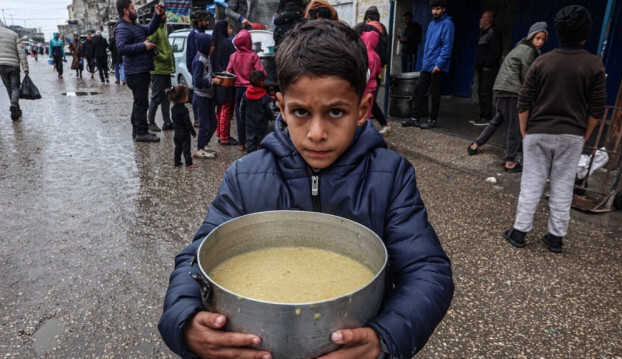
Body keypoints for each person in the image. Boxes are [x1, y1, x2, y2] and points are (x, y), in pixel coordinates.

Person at [158, 19, 454, 359]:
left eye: (335, 112)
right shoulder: (245, 177)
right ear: (281, 107)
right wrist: (186, 322)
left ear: (363, 110)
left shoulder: (390, 178)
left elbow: (428, 271)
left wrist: (384, 338)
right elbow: (196, 259)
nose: (316, 132)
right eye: (301, 112)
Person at [503, 5, 606, 253]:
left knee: (531, 184)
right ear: (585, 35)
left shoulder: (542, 61)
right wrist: (584, 134)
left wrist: (526, 130)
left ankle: (519, 233)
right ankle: (555, 238)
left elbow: (524, 99)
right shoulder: (594, 65)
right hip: (572, 134)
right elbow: (597, 107)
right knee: (562, 186)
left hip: (538, 131)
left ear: (557, 32)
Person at [467, 22, 548, 173]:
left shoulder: (521, 47)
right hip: (512, 91)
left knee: (497, 119)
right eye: (537, 38)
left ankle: (475, 144)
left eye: (543, 39)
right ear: (531, 37)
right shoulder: (528, 51)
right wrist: (534, 95)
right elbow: (527, 75)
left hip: (502, 88)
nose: (540, 42)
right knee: (516, 126)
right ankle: (510, 161)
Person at [115, 0, 164, 143]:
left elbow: (149, 29)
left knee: (139, 102)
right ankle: (141, 133)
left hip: (140, 69)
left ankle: (137, 130)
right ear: (125, 11)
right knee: (141, 103)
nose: (135, 9)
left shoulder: (133, 25)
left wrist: (157, 15)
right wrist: (143, 46)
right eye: (132, 8)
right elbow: (121, 48)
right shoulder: (123, 27)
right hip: (135, 71)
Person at [402, 0, 454, 130]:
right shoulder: (431, 23)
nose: (435, 12)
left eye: (437, 9)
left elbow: (446, 47)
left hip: (437, 66)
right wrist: (425, 62)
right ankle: (415, 118)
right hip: (427, 64)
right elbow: (428, 45)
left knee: (434, 93)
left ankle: (433, 120)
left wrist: (439, 64)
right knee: (419, 90)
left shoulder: (448, 24)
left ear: (443, 9)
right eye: (433, 9)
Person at [226, 29, 265, 152]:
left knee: (240, 116)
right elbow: (261, 73)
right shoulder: (253, 56)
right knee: (255, 116)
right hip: (253, 91)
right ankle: (257, 143)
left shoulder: (233, 56)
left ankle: (242, 144)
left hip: (238, 91)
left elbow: (228, 72)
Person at [355, 7, 391, 136]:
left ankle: (366, 132)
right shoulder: (382, 31)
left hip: (366, 84)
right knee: (369, 107)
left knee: (365, 108)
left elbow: (365, 73)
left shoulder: (366, 55)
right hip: (374, 81)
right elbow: (380, 67)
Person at [192, 32, 223, 159]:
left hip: (208, 96)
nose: (213, 48)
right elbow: (197, 82)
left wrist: (216, 75)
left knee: (213, 123)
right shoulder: (199, 61)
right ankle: (200, 148)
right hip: (201, 97)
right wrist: (212, 81)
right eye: (211, 46)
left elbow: (207, 74)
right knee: (204, 124)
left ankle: (204, 144)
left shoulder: (206, 58)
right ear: (204, 46)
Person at [469, 11, 503, 126]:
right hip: (481, 69)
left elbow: (495, 51)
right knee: (481, 92)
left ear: (488, 21)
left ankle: (487, 116)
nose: (480, 20)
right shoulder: (485, 33)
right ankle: (482, 115)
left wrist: (487, 65)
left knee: (486, 92)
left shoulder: (494, 33)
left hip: (488, 69)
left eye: (482, 18)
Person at [147, 13, 175, 132]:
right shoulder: (154, 29)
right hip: (158, 70)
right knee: (156, 97)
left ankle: (167, 121)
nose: (166, 17)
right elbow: (150, 46)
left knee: (166, 96)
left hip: (165, 69)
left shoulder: (161, 29)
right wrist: (162, 57)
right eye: (164, 15)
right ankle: (151, 122)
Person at [212, 20, 238, 146]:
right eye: (229, 27)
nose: (231, 30)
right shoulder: (227, 44)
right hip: (227, 81)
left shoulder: (213, 44)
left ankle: (219, 133)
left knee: (220, 108)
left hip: (217, 80)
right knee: (227, 108)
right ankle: (224, 137)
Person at [239, 70, 274, 153]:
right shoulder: (266, 97)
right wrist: (270, 117)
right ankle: (262, 159)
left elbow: (241, 108)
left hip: (249, 124)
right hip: (262, 124)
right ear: (262, 82)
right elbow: (270, 109)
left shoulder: (245, 94)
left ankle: (251, 159)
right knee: (262, 142)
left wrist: (242, 118)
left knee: (250, 143)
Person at [186, 10, 210, 128]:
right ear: (199, 22)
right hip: (197, 66)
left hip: (200, 66)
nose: (207, 22)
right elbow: (193, 54)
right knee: (197, 92)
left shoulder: (201, 32)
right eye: (205, 20)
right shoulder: (195, 34)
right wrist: (196, 69)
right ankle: (197, 119)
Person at [0, 22, 29, 121]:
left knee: (9, 88)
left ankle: (16, 109)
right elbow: (21, 52)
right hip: (13, 65)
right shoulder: (13, 34)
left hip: (1, 65)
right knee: (15, 87)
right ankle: (14, 105)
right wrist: (25, 67)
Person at [167, 85, 198, 169]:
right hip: (184, 133)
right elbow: (187, 123)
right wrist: (193, 132)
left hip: (176, 133)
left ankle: (177, 161)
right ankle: (189, 163)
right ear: (182, 98)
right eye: (187, 95)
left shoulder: (173, 109)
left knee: (178, 148)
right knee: (186, 148)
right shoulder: (184, 110)